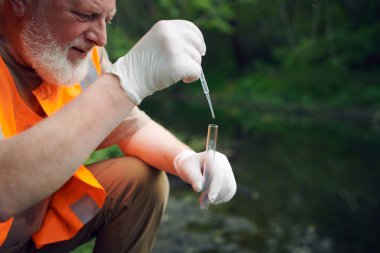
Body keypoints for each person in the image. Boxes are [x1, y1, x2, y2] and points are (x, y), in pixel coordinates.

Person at [0, 0, 237, 252]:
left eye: (107, 20)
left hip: (36, 227)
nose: (101, 38)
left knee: (142, 180)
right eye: (86, 15)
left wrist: (185, 158)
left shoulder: (74, 51)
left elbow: (127, 125)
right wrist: (126, 84)